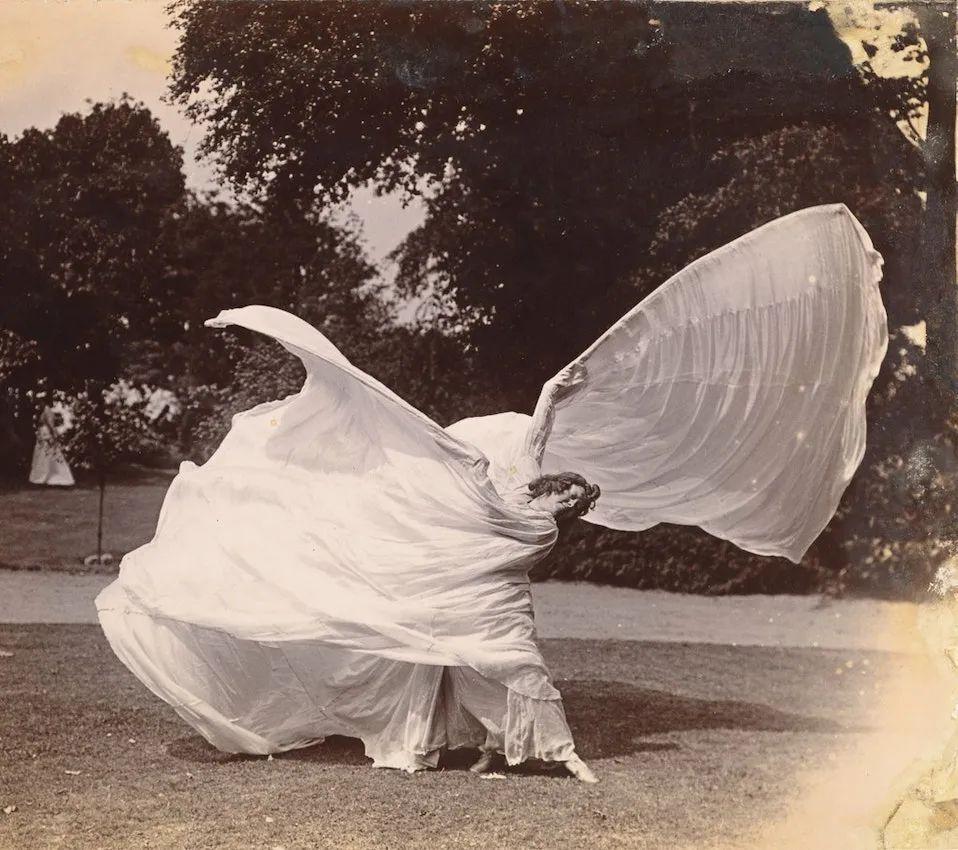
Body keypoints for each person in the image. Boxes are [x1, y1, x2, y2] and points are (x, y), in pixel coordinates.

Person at [96, 204, 886, 785]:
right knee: (466, 669)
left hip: (479, 602)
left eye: (562, 491)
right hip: (468, 598)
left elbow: (527, 465)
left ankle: (537, 755)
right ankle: (490, 752)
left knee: (492, 667)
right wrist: (553, 399)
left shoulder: (525, 517)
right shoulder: (516, 501)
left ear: (562, 502)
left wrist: (554, 394)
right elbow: (524, 464)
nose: (555, 486)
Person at [28, 404, 74, 487]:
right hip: (43, 433)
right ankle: (43, 477)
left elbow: (50, 424)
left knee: (48, 454)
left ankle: (52, 477)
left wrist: (53, 434)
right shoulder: (45, 411)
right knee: (44, 455)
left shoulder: (47, 410)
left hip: (46, 433)